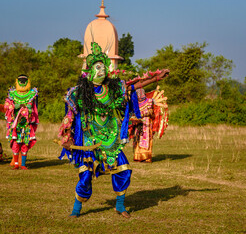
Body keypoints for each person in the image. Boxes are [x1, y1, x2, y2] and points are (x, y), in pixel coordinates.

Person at [57, 42, 169, 218]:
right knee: (85, 177)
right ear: (89, 72)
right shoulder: (77, 93)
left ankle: (120, 206)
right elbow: (69, 117)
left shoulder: (113, 89)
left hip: (111, 139)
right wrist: (67, 138)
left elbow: (134, 86)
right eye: (97, 67)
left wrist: (156, 78)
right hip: (89, 141)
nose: (101, 70)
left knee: (123, 171)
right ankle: (76, 209)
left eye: (103, 67)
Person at [4, 75, 39, 170]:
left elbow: (34, 108)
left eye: (24, 81)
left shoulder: (32, 94)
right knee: (15, 143)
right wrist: (14, 106)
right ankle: (16, 163)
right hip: (16, 124)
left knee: (25, 144)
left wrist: (29, 110)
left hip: (26, 124)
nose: (22, 83)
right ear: (17, 81)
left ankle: (23, 164)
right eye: (20, 81)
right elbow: (7, 105)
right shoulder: (12, 93)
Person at [128, 87, 168, 163]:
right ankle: (138, 157)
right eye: (138, 94)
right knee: (137, 139)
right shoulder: (135, 103)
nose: (139, 95)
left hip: (147, 124)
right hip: (138, 124)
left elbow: (151, 112)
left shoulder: (149, 101)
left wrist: (141, 115)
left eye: (140, 93)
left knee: (146, 140)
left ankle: (146, 157)